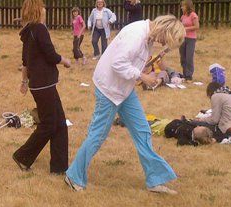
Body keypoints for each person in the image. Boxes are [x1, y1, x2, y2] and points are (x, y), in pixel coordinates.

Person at [64, 15, 185, 194]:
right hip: (109, 89)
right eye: (165, 40)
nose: (163, 43)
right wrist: (142, 76)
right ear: (164, 30)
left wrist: (143, 72)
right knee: (98, 135)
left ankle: (155, 180)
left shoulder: (148, 37)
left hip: (124, 90)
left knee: (143, 131)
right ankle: (73, 176)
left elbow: (132, 62)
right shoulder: (136, 35)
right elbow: (118, 63)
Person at [13, 0, 71, 174]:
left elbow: (25, 62)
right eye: (43, 7)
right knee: (49, 124)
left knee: (60, 124)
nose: (45, 9)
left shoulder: (28, 31)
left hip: (40, 85)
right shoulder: (39, 28)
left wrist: (24, 82)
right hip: (44, 85)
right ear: (38, 10)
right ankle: (22, 156)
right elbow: (50, 55)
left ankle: (59, 167)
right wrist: (64, 60)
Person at [179, 0, 199, 80]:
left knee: (189, 57)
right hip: (182, 38)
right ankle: (185, 74)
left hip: (191, 39)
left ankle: (189, 75)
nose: (181, 7)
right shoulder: (183, 16)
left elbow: (197, 26)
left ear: (187, 6)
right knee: (183, 58)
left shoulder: (193, 15)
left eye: (183, 6)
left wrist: (186, 29)